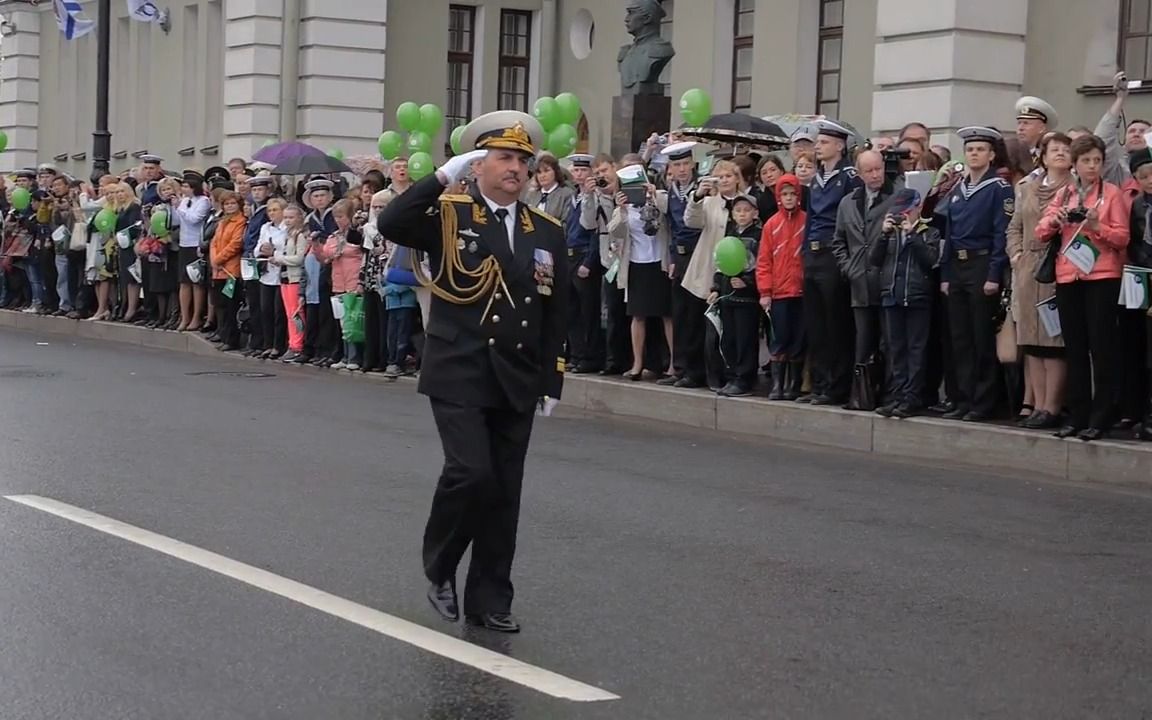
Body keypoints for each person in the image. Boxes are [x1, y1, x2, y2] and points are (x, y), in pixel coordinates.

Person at [376, 110, 567, 633]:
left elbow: (557, 311)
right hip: (460, 366)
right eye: (504, 158)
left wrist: (552, 377)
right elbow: (391, 224)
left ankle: (490, 599)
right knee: (470, 472)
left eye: (524, 161)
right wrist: (440, 177)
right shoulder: (451, 214)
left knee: (505, 490)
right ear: (478, 164)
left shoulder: (545, 230)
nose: (517, 169)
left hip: (519, 373)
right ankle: (439, 565)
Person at [1035, 135, 1129, 441]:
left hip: (1102, 276)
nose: (1092, 166)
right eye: (1086, 160)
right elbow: (1040, 231)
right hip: (1068, 276)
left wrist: (1096, 226)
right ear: (1074, 164)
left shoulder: (1111, 194)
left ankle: (1100, 417)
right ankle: (1077, 415)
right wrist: (1055, 221)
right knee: (1074, 349)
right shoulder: (1065, 194)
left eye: (1097, 160)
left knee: (1101, 348)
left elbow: (1123, 238)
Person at [939, 126, 1016, 422]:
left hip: (982, 264)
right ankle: (962, 397)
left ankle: (983, 402)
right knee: (960, 337)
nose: (974, 154)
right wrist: (946, 273)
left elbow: (1001, 232)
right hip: (957, 267)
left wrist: (994, 274)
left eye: (980, 149)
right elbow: (950, 232)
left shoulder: (999, 188)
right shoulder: (958, 189)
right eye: (970, 149)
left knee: (981, 336)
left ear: (992, 154)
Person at [1006, 133, 1073, 430]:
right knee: (1031, 340)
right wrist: (1016, 254)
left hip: (1058, 265)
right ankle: (1037, 404)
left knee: (1052, 339)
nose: (1059, 153)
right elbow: (1015, 227)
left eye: (1064, 149)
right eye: (1053, 150)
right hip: (1028, 268)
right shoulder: (1028, 188)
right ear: (1042, 157)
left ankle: (1052, 407)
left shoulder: (1074, 188)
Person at [801, 119, 861, 405]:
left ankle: (837, 385)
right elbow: (811, 217)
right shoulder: (816, 179)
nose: (818, 147)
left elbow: (851, 218)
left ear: (839, 146)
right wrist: (804, 253)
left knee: (835, 323)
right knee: (817, 325)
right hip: (813, 253)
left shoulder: (849, 176)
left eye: (824, 142)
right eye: (818, 142)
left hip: (834, 252)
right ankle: (820, 382)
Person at [832, 149, 897, 409]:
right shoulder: (848, 202)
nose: (875, 175)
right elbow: (838, 241)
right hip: (859, 283)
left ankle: (890, 394)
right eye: (868, 171)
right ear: (858, 174)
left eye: (878, 169)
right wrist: (849, 268)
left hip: (887, 280)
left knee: (889, 341)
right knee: (863, 341)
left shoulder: (895, 197)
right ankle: (861, 394)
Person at [870, 189, 940, 418]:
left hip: (917, 297)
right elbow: (875, 260)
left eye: (906, 212)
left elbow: (930, 261)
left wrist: (912, 236)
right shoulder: (890, 234)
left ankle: (912, 397)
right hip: (892, 295)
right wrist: (883, 235)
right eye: (899, 213)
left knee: (916, 349)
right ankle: (898, 396)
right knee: (895, 349)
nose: (902, 217)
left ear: (918, 209)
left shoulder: (929, 232)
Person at [684, 158, 749, 390]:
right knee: (698, 324)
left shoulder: (745, 203)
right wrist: (697, 197)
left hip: (732, 273)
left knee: (724, 329)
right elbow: (691, 221)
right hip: (706, 269)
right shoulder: (710, 202)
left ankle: (723, 374)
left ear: (737, 179)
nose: (724, 181)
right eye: (720, 177)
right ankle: (695, 372)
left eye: (728, 176)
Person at [608, 163, 673, 381]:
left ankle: (673, 364)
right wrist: (623, 210)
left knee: (666, 314)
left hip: (659, 262)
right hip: (636, 264)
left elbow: (668, 213)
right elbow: (614, 232)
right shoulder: (622, 209)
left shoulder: (658, 197)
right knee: (638, 315)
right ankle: (637, 363)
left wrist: (653, 195)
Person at [659, 141, 707, 388]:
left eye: (686, 164)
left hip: (697, 254)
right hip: (679, 256)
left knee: (694, 314)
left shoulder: (701, 189)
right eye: (677, 165)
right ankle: (680, 367)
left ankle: (695, 370)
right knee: (679, 314)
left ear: (693, 164)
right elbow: (670, 227)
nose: (682, 169)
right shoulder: (670, 191)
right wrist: (671, 259)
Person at [757, 173, 806, 400]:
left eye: (792, 193)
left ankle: (793, 384)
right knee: (779, 337)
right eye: (784, 194)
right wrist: (765, 292)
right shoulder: (771, 225)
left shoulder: (806, 221)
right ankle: (777, 384)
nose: (789, 198)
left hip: (801, 291)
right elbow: (764, 261)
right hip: (779, 292)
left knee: (798, 337)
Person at [708, 194, 761, 397]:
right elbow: (720, 263)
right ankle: (731, 376)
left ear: (754, 213)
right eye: (738, 210)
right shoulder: (729, 234)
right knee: (729, 337)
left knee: (745, 338)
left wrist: (748, 282)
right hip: (727, 296)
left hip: (747, 297)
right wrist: (715, 288)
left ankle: (745, 378)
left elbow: (760, 265)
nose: (742, 214)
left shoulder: (758, 235)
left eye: (746, 210)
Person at [581, 154, 629, 374]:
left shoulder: (627, 190)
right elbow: (588, 223)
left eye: (604, 171)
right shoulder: (596, 197)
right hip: (609, 259)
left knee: (633, 312)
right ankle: (612, 360)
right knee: (612, 310)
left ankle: (633, 359)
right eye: (597, 173)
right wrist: (589, 196)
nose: (602, 177)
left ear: (615, 168)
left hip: (631, 255)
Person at [562, 153, 605, 374]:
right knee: (572, 310)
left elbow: (596, 231)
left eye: (583, 171)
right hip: (569, 254)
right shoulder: (574, 195)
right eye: (576, 170)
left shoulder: (594, 196)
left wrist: (589, 261)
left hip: (585, 254)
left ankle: (590, 356)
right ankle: (577, 354)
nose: (579, 174)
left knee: (588, 311)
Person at [320, 199, 366, 371]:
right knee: (341, 321)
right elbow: (328, 251)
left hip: (353, 280)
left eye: (342, 216)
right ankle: (345, 356)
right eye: (336, 217)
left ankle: (354, 357)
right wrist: (335, 250)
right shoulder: (334, 235)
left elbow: (354, 249)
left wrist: (340, 249)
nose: (339, 220)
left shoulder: (356, 233)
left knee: (352, 321)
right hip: (338, 282)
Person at [1129, 148, 1152, 442]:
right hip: (1145, 278)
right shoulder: (1135, 206)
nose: (1149, 180)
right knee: (1145, 350)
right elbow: (1133, 243)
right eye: (1143, 176)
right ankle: (1146, 412)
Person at [1095, 71, 1149, 188]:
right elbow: (1102, 141)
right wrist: (1120, 98)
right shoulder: (1118, 169)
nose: (1136, 134)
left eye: (1142, 131)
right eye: (1131, 131)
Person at [174, 169, 212, 332]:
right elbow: (178, 220)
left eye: (187, 186)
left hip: (195, 244)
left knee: (196, 282)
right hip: (184, 243)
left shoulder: (203, 201)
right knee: (184, 282)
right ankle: (185, 316)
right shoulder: (184, 201)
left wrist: (179, 208)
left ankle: (196, 317)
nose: (183, 189)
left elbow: (194, 219)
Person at [209, 190, 246, 351]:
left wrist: (218, 259)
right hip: (218, 270)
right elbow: (214, 243)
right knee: (220, 305)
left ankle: (232, 340)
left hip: (231, 270)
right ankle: (223, 335)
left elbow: (236, 244)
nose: (230, 206)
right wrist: (213, 259)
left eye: (232, 203)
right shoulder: (222, 222)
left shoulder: (240, 222)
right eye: (226, 204)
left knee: (230, 306)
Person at [241, 176, 274, 357]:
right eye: (254, 190)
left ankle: (260, 342)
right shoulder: (254, 211)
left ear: (268, 191)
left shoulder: (265, 211)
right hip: (249, 259)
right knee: (252, 301)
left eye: (260, 190)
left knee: (260, 303)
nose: (257, 193)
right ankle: (255, 341)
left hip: (260, 261)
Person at [273, 205, 309, 364]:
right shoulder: (288, 234)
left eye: (291, 217)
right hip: (285, 277)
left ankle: (297, 346)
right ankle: (292, 344)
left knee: (296, 314)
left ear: (299, 218)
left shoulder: (300, 235)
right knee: (289, 314)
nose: (287, 221)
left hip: (295, 278)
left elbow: (300, 258)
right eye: (286, 217)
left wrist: (280, 259)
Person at [254, 197, 288, 360]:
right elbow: (256, 248)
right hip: (266, 273)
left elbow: (288, 249)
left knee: (278, 312)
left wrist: (274, 252)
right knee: (265, 310)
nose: (272, 213)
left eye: (275, 210)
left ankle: (278, 345)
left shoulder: (287, 228)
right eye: (270, 210)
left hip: (281, 273)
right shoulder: (265, 227)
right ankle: (267, 344)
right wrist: (261, 248)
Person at [1014, 95, 1057, 170]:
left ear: (1041, 128)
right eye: (1019, 123)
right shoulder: (1012, 155)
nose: (1020, 128)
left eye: (1026, 123)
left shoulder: (1048, 156)